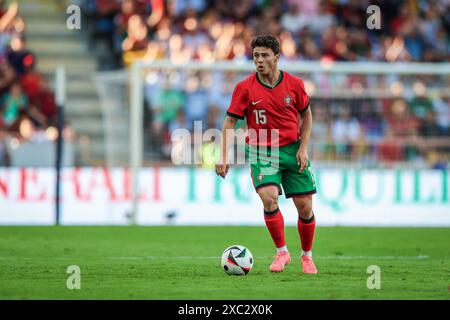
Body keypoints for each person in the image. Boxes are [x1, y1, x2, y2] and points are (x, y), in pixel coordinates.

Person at [215, 35, 318, 274]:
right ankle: (282, 251)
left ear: (276, 57)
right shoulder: (245, 88)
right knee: (269, 197)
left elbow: (307, 116)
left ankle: (306, 256)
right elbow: (230, 122)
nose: (259, 60)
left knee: (305, 207)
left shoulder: (294, 84)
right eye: (256, 56)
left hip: (292, 149)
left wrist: (303, 148)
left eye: (264, 55)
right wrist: (223, 155)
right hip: (262, 149)